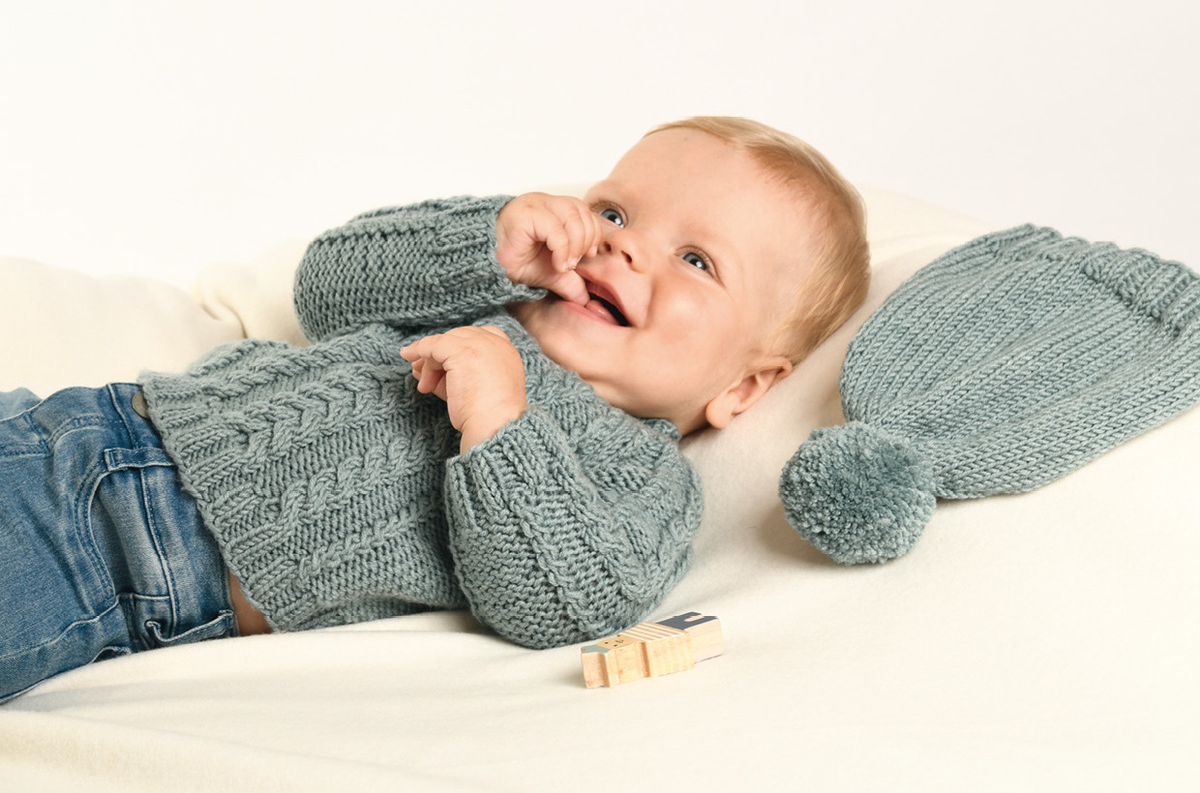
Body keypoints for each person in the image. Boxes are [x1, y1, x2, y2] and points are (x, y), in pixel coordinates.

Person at [0, 116, 870, 701]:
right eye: (613, 210)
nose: (625, 245)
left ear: (743, 388)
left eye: (696, 260)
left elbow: (565, 602)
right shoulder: (488, 296)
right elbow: (325, 287)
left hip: (134, 560)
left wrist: (500, 425)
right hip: (81, 423)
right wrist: (490, 242)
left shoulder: (642, 476)